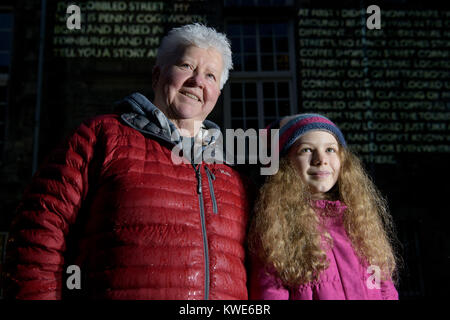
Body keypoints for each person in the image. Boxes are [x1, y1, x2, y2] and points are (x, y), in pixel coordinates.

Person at [3, 23, 251, 300]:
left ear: (217, 93)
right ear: (157, 75)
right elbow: (38, 237)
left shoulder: (233, 175)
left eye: (210, 76)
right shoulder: (100, 138)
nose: (197, 81)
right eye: (186, 66)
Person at [248, 113, 401, 300]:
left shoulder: (361, 224)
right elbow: (270, 295)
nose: (321, 159)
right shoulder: (275, 230)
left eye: (330, 149)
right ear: (286, 165)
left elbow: (385, 290)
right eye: (306, 150)